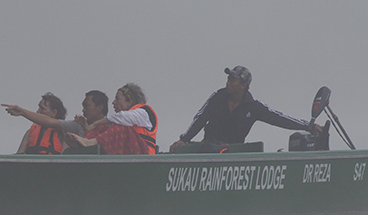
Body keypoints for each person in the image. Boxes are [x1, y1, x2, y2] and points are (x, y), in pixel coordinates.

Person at [169, 66, 320, 153]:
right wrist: (184, 140)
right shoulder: (217, 97)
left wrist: (309, 126)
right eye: (228, 79)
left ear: (243, 85)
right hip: (209, 146)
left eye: (232, 80)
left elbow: (278, 118)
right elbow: (200, 118)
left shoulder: (252, 106)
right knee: (181, 150)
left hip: (233, 151)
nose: (228, 83)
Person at [67, 83, 158, 154]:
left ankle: (89, 143)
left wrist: (95, 124)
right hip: (129, 152)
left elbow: (122, 117)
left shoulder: (143, 113)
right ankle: (83, 145)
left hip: (144, 154)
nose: (113, 102)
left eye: (117, 99)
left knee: (121, 128)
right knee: (104, 128)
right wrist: (87, 128)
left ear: (129, 102)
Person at [3, 93, 71, 154]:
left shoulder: (64, 134)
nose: (38, 111)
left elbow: (64, 159)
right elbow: (19, 155)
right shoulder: (30, 132)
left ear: (54, 113)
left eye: (42, 109)